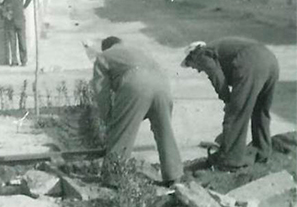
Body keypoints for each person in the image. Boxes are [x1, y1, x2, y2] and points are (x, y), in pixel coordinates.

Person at [91, 36, 183, 185]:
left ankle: (113, 179)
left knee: (121, 133)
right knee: (164, 130)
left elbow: (101, 90)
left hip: (136, 83)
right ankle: (174, 175)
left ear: (106, 48)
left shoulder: (104, 56)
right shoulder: (139, 51)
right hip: (162, 84)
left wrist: (108, 117)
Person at [181, 38, 280, 169]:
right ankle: (262, 151)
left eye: (191, 65)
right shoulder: (216, 49)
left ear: (192, 56)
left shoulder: (201, 54)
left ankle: (230, 161)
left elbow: (217, 78)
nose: (197, 69)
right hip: (270, 61)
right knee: (261, 110)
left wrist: (228, 100)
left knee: (235, 114)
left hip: (250, 62)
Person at [1, 0, 33, 66]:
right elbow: (1, 6)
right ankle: (14, 61)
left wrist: (24, 6)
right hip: (10, 23)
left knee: (22, 42)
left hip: (20, 21)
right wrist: (5, 13)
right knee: (12, 43)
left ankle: (24, 61)